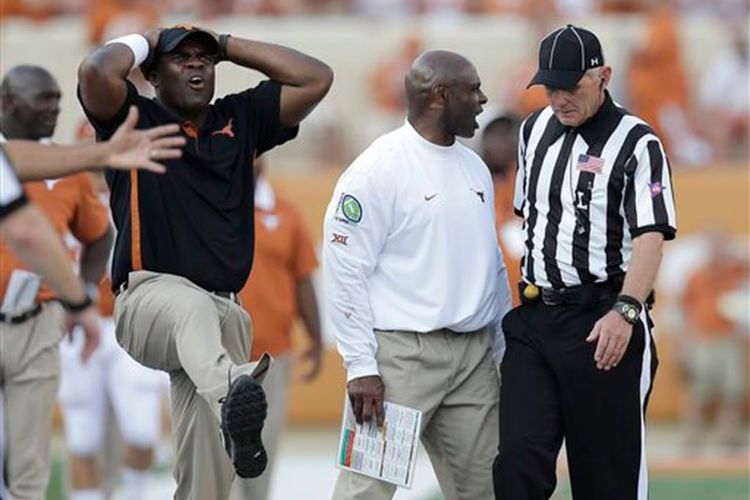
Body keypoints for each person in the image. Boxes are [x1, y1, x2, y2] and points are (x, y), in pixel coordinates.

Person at [77, 24, 332, 499]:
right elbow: (96, 69)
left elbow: (315, 77)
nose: (197, 63)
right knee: (191, 308)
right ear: (151, 74)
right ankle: (233, 387)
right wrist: (148, 40)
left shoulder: (239, 119)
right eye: (182, 57)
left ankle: (230, 398)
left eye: (205, 58)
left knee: (209, 475)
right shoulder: (134, 116)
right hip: (149, 301)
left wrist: (228, 44)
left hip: (224, 314)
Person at [493, 25, 677, 500]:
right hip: (536, 320)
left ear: (603, 76)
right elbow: (529, 222)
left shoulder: (638, 142)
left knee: (606, 481)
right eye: (550, 87)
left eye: (570, 86)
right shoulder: (532, 132)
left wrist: (626, 311)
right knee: (516, 464)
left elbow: (652, 235)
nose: (559, 99)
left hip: (603, 323)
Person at [323, 50, 512, 500]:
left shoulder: (476, 169)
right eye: (473, 90)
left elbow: (493, 268)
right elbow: (344, 269)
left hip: (472, 359)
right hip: (400, 361)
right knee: (365, 491)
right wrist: (360, 367)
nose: (483, 99)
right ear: (441, 96)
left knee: (488, 489)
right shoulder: (377, 170)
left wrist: (505, 349)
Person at [0, 65, 113, 500]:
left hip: (38, 317)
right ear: (8, 102)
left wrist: (80, 293)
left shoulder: (67, 170)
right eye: (42, 99)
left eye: (57, 99)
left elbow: (99, 234)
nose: (54, 107)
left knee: (29, 465)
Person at [58, 169, 167, 500]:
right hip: (77, 324)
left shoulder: (138, 191)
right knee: (82, 437)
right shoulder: (60, 194)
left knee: (142, 430)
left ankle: (135, 493)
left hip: (127, 321)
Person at [230, 158, 323, 500]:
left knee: (259, 453)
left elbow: (303, 280)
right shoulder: (207, 208)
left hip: (271, 357)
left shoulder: (286, 214)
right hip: (215, 354)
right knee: (213, 453)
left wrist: (315, 338)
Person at [680, 231, 748, 450]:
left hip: (730, 340)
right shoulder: (697, 275)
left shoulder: (736, 272)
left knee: (732, 391)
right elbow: (686, 310)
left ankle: (730, 436)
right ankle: (693, 436)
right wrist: (685, 344)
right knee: (698, 392)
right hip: (703, 340)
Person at [480, 114, 523, 306]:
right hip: (490, 307)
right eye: (493, 135)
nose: (501, 143)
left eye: (506, 135)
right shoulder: (472, 190)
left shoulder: (530, 184)